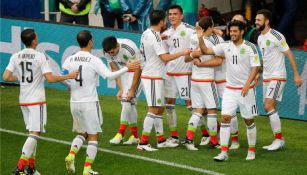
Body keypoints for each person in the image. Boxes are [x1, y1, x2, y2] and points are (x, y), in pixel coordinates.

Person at [2, 28, 78, 175]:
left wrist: (19, 78)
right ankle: (19, 167)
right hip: (36, 100)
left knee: (32, 133)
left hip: (23, 100)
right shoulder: (39, 56)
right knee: (35, 133)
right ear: (34, 40)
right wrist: (68, 76)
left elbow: (5, 76)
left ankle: (31, 167)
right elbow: (50, 78)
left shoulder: (16, 56)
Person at [63, 30, 139, 175]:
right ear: (91, 41)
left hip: (74, 102)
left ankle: (72, 154)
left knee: (82, 132)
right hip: (90, 102)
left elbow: (63, 76)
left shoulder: (70, 59)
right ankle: (87, 169)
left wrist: (70, 87)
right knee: (94, 135)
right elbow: (109, 76)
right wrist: (126, 68)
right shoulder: (93, 59)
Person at [198, 20, 260, 161]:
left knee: (248, 120)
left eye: (235, 31)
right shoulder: (225, 46)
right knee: (225, 117)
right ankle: (224, 152)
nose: (232, 33)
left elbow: (255, 66)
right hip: (230, 89)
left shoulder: (250, 47)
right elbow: (206, 51)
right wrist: (200, 36)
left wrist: (247, 84)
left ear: (242, 31)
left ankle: (251, 150)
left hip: (246, 90)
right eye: (230, 31)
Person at [136, 10, 190, 151]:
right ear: (161, 22)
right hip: (152, 77)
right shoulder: (155, 37)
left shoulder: (146, 33)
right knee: (154, 109)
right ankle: (143, 143)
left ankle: (160, 140)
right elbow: (164, 58)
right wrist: (182, 52)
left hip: (154, 76)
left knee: (159, 109)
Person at [255, 9, 302, 151]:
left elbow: (289, 54)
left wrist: (296, 74)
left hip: (277, 75)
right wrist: (258, 73)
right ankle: (278, 139)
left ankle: (279, 139)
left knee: (268, 106)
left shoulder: (276, 35)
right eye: (256, 20)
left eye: (258, 20)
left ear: (267, 21)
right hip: (266, 77)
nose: (256, 22)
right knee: (270, 107)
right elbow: (265, 58)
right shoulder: (259, 37)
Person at [182, 16, 223, 150]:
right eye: (212, 27)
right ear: (210, 27)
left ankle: (188, 139)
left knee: (198, 111)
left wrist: (195, 59)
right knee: (212, 111)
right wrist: (203, 64)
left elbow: (186, 59)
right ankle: (214, 141)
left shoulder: (193, 38)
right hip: (206, 81)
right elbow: (218, 61)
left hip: (195, 81)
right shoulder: (210, 44)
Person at [160, 4, 196, 145]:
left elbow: (201, 38)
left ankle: (207, 133)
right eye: (170, 14)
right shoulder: (166, 33)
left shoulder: (189, 30)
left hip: (185, 73)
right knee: (169, 104)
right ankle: (174, 137)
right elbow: (165, 54)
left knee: (191, 105)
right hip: (170, 73)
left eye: (175, 14)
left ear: (181, 16)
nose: (172, 17)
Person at [102, 36, 142, 145]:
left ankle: (121, 133)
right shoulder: (106, 51)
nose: (111, 54)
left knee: (126, 101)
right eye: (109, 53)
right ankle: (135, 136)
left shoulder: (129, 48)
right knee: (129, 104)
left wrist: (132, 90)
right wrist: (120, 89)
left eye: (112, 52)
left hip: (137, 72)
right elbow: (115, 70)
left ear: (118, 46)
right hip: (124, 72)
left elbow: (138, 68)